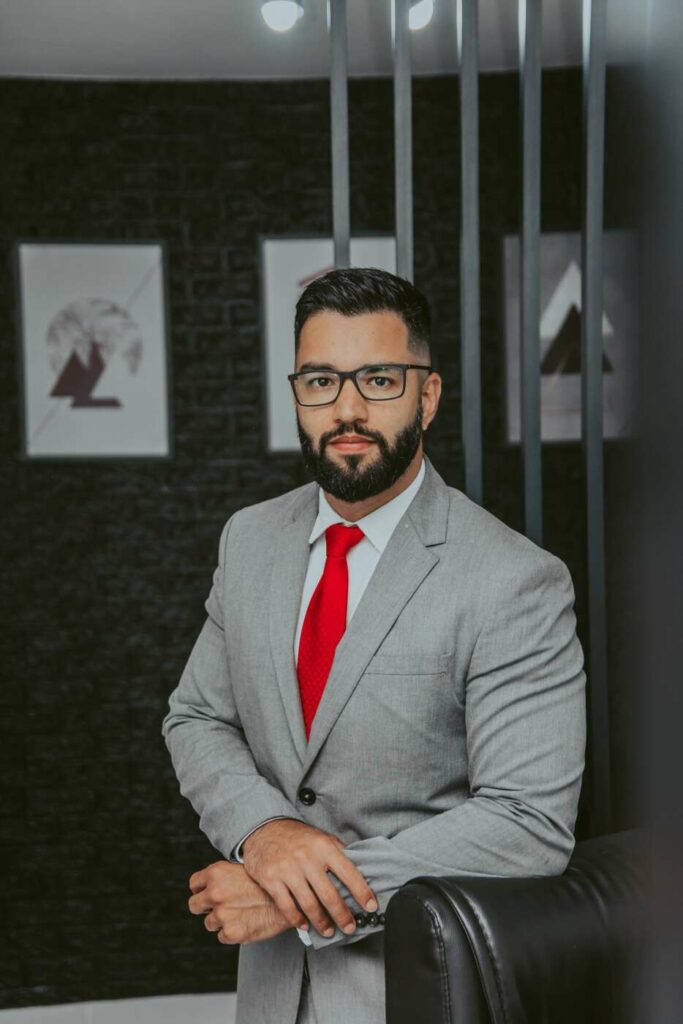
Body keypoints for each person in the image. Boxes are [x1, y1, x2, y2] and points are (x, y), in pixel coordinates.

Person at [161, 267, 586, 1024]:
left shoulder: (514, 579)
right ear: (297, 393)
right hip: (269, 997)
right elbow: (198, 718)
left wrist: (297, 895)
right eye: (321, 381)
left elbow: (527, 822)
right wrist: (265, 833)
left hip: (419, 992)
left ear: (428, 396)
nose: (347, 409)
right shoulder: (249, 539)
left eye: (379, 380)